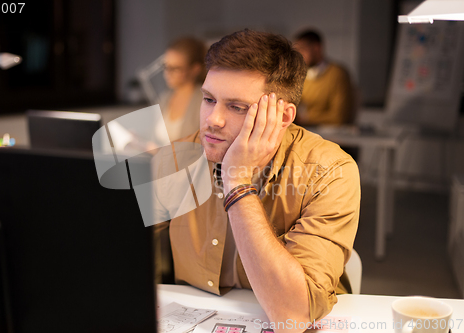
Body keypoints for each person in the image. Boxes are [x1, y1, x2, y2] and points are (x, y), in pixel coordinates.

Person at [154, 29, 360, 332]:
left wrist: (237, 182)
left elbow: (293, 315)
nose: (213, 119)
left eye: (237, 107)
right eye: (209, 99)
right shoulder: (172, 161)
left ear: (284, 116)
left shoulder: (330, 171)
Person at [292, 29, 355, 126]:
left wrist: (305, 118)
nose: (300, 54)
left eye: (303, 49)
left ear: (317, 48)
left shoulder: (337, 74)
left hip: (333, 134)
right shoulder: (300, 74)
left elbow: (338, 116)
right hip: (308, 131)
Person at [160, 36, 207, 141]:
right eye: (166, 66)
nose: (168, 73)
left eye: (175, 68)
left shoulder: (204, 101)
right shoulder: (164, 98)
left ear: (195, 69)